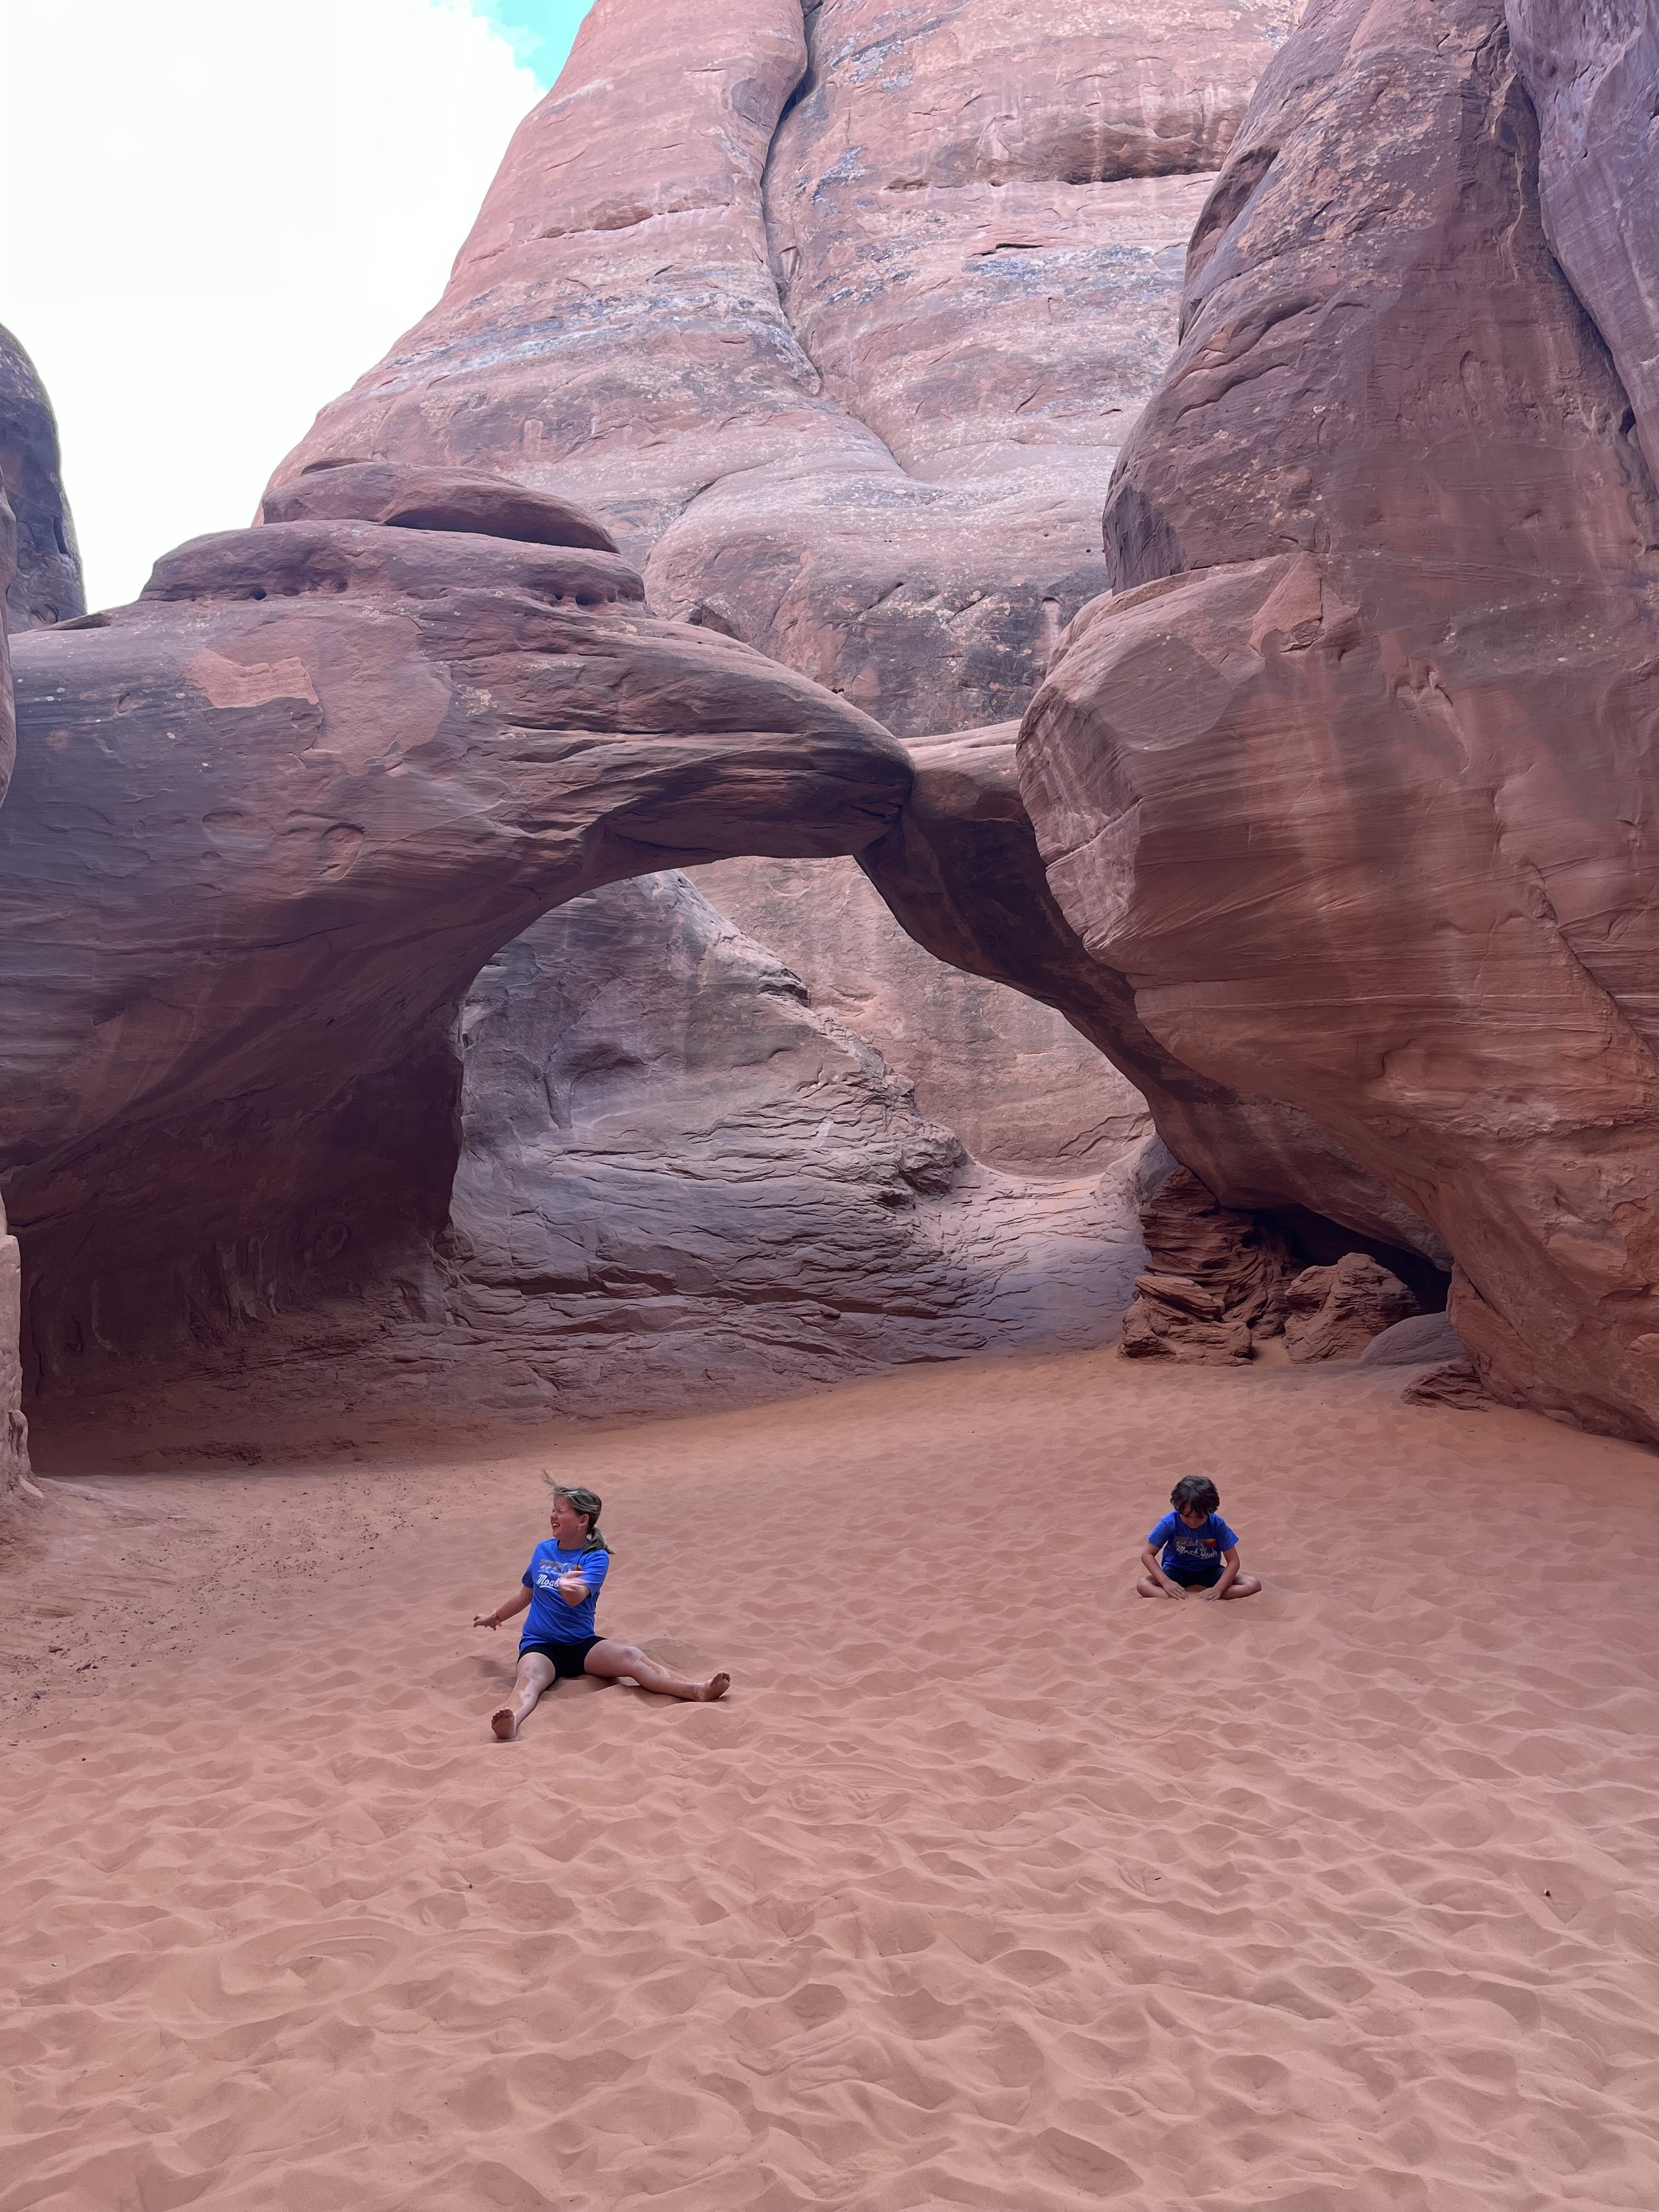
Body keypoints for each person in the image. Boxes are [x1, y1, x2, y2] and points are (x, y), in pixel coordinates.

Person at [474, 1481, 729, 1738]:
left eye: (560, 1511)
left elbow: (577, 1598)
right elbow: (525, 1594)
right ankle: (511, 1720)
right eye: (553, 1510)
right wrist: (494, 1618)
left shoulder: (595, 1556)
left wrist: (568, 1586)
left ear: (583, 1519)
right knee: (529, 1678)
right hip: (540, 1644)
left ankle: (697, 1689)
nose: (553, 1516)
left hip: (581, 1645)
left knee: (632, 1656)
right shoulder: (543, 1550)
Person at [1138, 1475, 1262, 1601]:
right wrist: (1166, 1582)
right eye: (1186, 1516)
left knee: (1252, 1584)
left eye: (1199, 1517)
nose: (1192, 1522)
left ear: (1210, 1511)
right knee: (1143, 1584)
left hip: (1210, 1571)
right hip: (1175, 1571)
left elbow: (1233, 1561)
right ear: (1178, 1508)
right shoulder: (1169, 1523)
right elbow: (1147, 1554)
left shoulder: (1217, 1525)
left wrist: (1218, 1589)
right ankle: (1179, 1599)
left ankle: (1205, 1597)